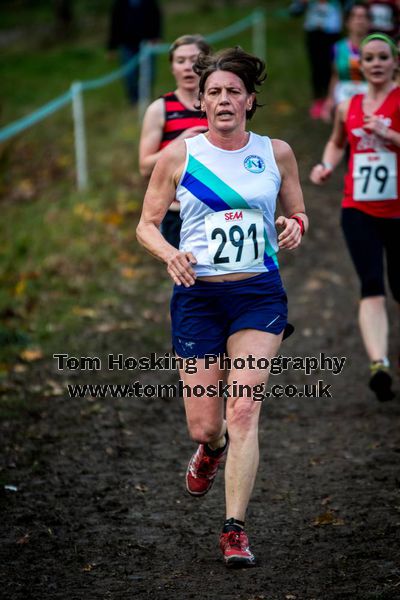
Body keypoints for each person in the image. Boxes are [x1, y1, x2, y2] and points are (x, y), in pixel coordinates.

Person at [136, 47, 308, 567]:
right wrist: (170, 253)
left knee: (244, 410)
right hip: (199, 297)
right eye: (214, 92)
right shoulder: (179, 156)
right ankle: (211, 450)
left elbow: (298, 210)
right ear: (202, 102)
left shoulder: (276, 152)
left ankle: (234, 529)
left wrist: (294, 225)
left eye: (234, 91)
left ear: (250, 100)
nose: (224, 99)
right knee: (206, 426)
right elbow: (146, 225)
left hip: (258, 294)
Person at [310, 33, 400, 402]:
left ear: (395, 61)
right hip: (358, 207)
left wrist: (388, 134)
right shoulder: (349, 105)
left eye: (383, 57)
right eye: (369, 58)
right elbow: (337, 142)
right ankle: (379, 364)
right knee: (371, 284)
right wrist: (326, 165)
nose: (376, 63)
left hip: (398, 211)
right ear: (359, 64)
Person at [139, 35, 210, 249]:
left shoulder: (219, 105)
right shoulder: (160, 109)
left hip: (218, 208)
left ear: (208, 64)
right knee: (185, 270)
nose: (188, 67)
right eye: (180, 61)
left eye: (195, 60)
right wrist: (179, 143)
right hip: (178, 214)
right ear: (172, 67)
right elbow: (144, 167)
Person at [321, 2, 371, 122]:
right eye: (355, 16)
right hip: (343, 99)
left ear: (369, 22)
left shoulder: (377, 49)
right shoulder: (337, 48)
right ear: (347, 22)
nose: (359, 20)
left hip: (369, 101)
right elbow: (335, 75)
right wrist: (329, 100)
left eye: (363, 16)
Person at [108, 0, 162, 105]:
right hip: (127, 45)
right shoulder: (120, 3)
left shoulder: (149, 2)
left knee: (148, 73)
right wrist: (112, 47)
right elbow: (115, 23)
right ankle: (134, 100)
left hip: (147, 44)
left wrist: (156, 36)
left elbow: (156, 17)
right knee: (129, 75)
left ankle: (145, 98)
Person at [302, 0, 343, 118]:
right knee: (316, 67)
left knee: (332, 67)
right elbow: (295, 10)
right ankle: (318, 99)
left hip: (332, 34)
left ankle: (331, 99)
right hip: (314, 34)